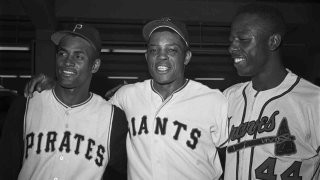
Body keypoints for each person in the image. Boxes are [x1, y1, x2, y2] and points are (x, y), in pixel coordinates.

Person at [23, 17, 229, 180]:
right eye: (154, 50)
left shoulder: (214, 100)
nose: (161, 56)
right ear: (146, 56)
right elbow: (85, 110)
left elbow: (230, 159)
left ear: (186, 57)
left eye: (172, 50)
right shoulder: (126, 96)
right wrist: (55, 86)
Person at [0, 24, 128, 180]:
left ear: (94, 66)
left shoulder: (113, 118)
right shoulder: (25, 106)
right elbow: (7, 168)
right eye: (62, 53)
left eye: (78, 56)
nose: (67, 62)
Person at [223, 3, 320, 180]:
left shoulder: (314, 101)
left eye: (243, 39)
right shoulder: (228, 97)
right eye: (231, 41)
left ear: (273, 41)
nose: (232, 48)